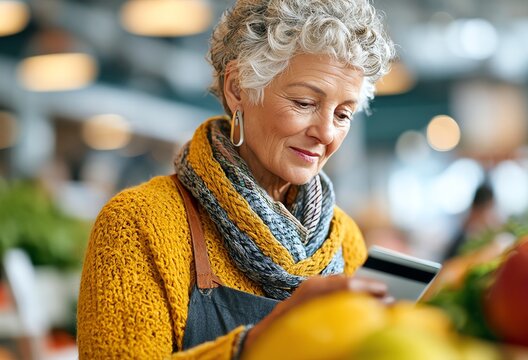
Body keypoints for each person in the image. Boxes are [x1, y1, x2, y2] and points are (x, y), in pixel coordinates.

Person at [76, 0, 396, 358]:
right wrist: (259, 341)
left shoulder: (344, 240)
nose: (326, 133)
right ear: (238, 88)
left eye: (342, 114)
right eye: (305, 103)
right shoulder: (138, 223)